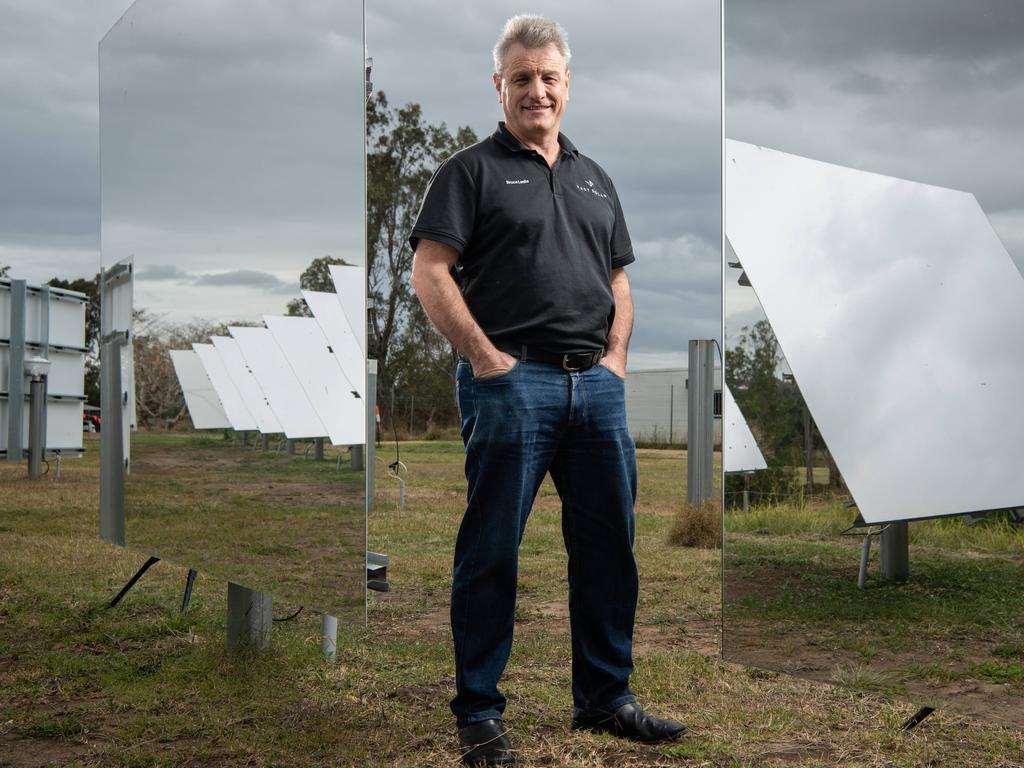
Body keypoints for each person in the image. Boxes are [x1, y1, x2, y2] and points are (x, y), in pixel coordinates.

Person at [409, 14, 686, 766]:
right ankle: (479, 711)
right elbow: (430, 271)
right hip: (512, 385)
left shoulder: (597, 177)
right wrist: (487, 360)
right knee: (492, 549)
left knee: (607, 549)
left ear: (568, 86)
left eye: (549, 78)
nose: (537, 90)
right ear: (499, 85)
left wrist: (617, 361)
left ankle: (605, 697)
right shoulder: (468, 172)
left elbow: (618, 279)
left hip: (594, 389)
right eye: (522, 78)